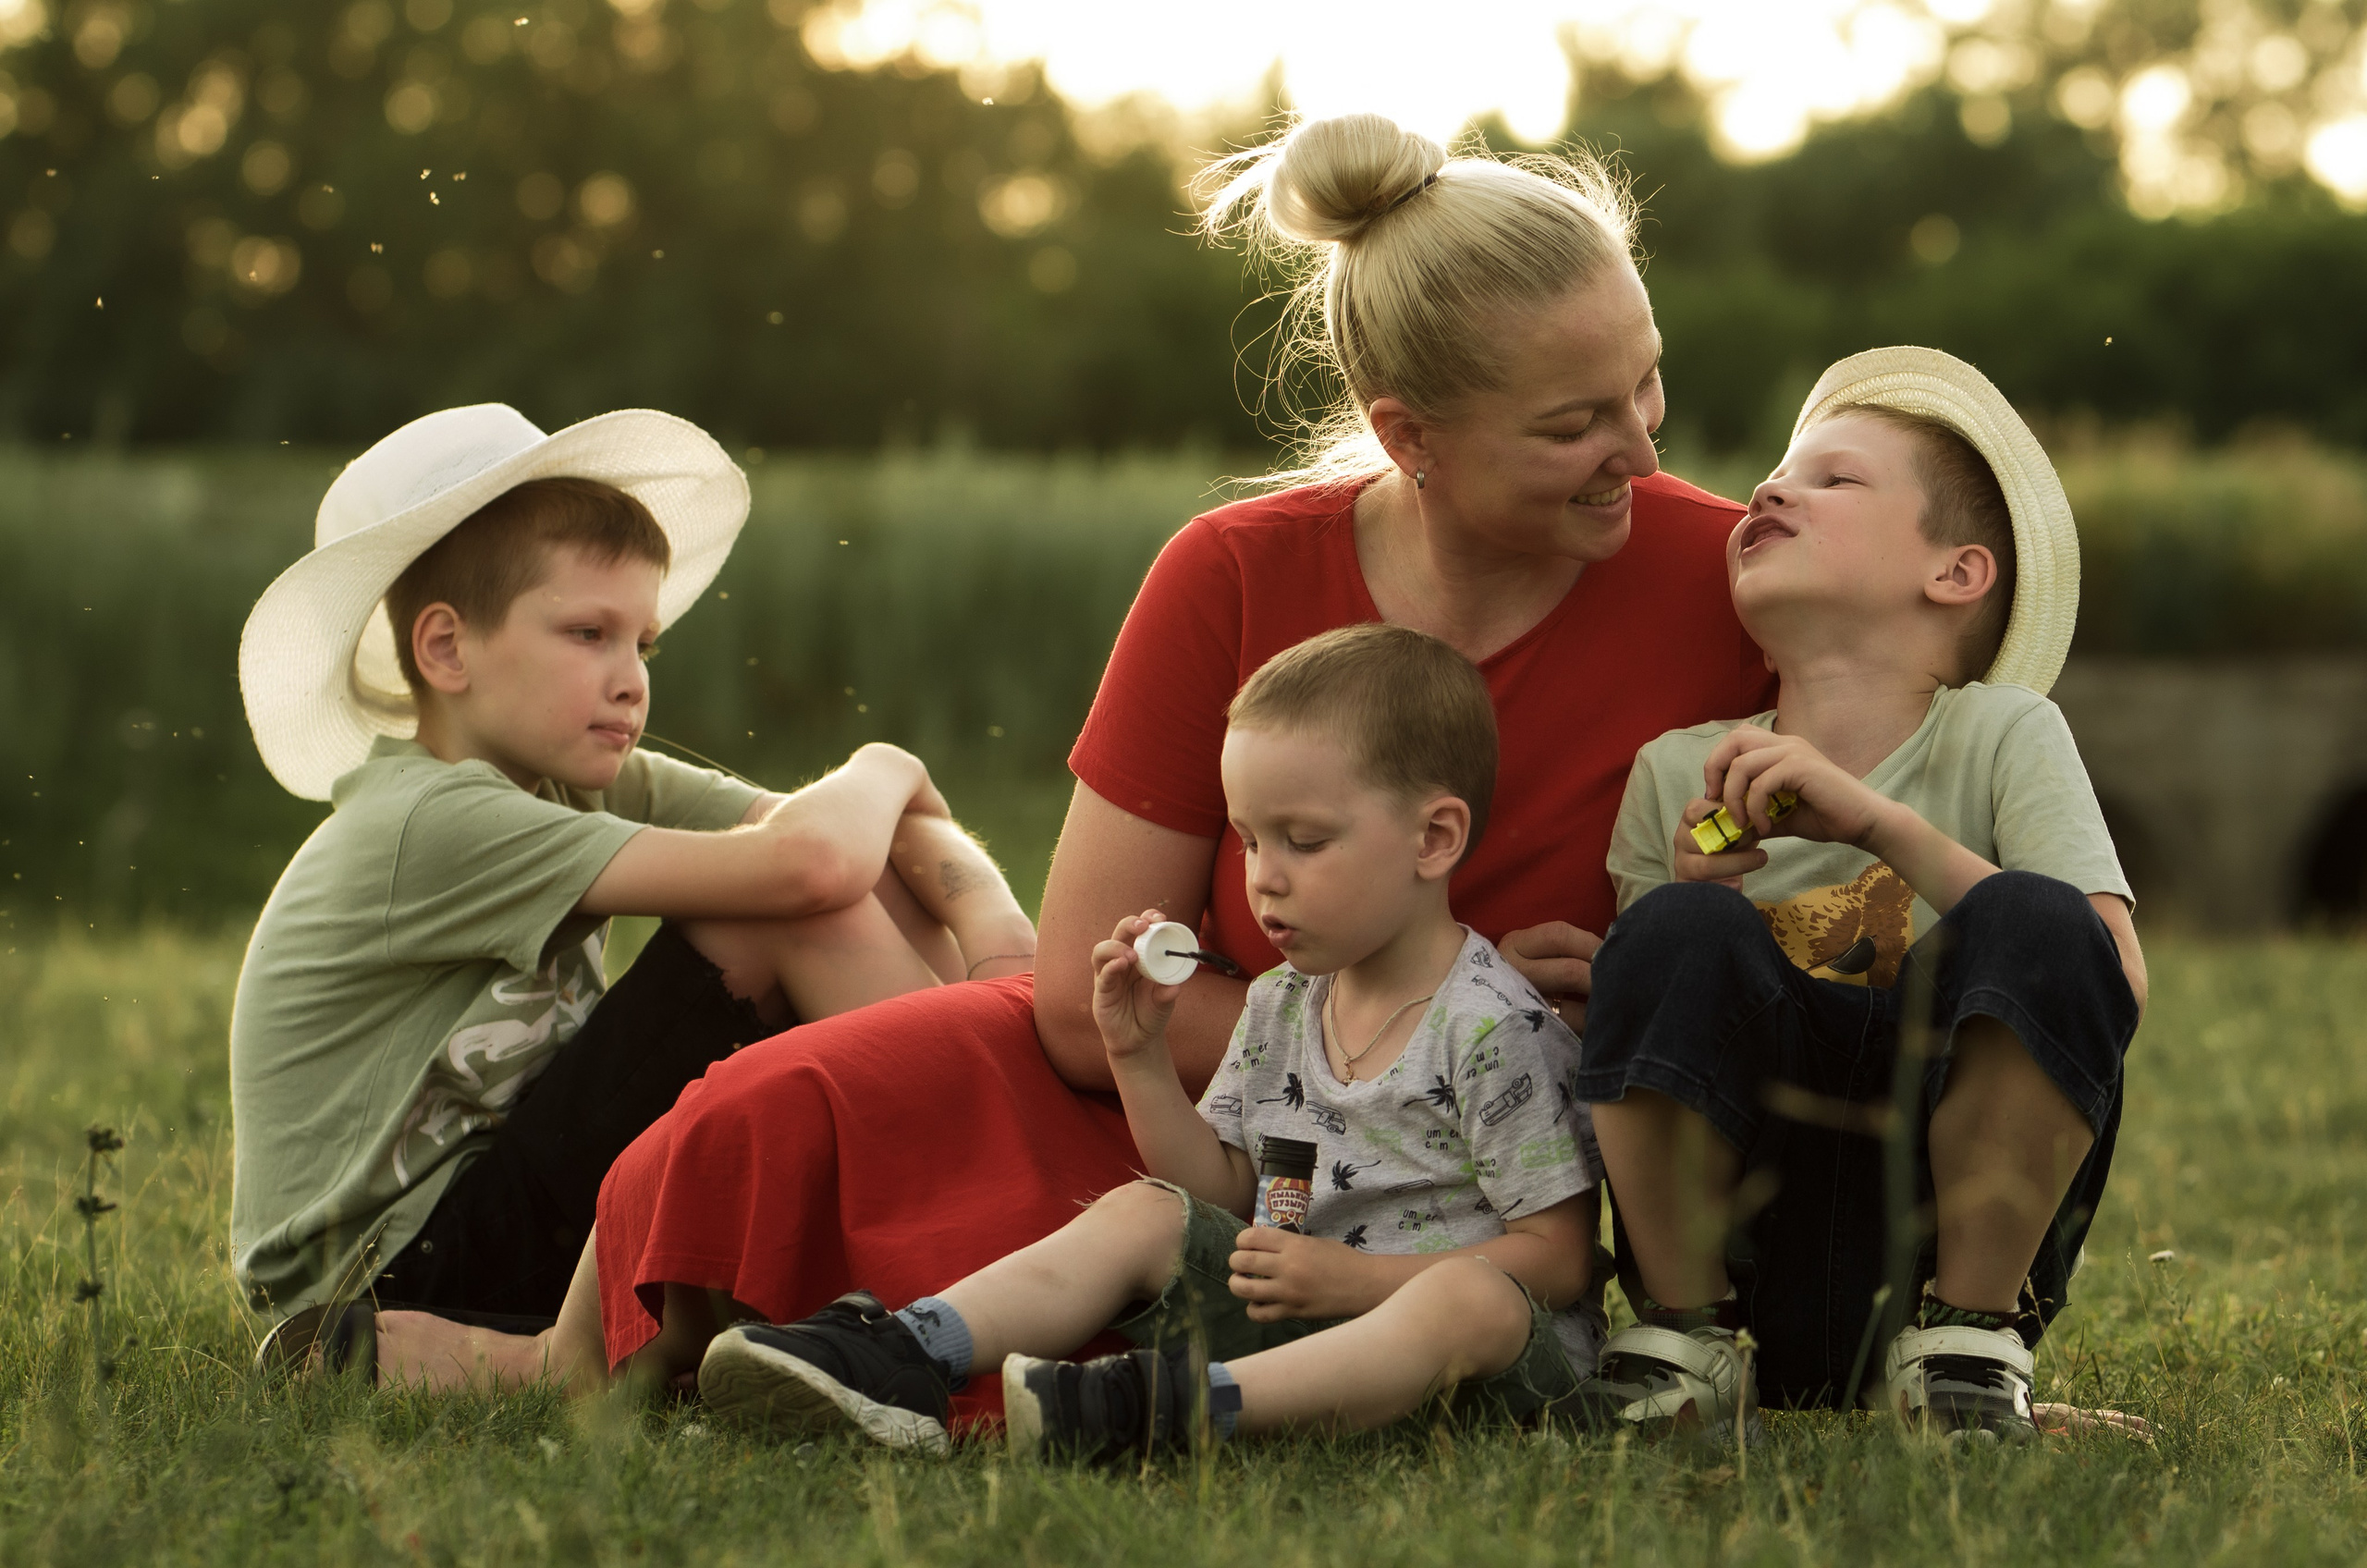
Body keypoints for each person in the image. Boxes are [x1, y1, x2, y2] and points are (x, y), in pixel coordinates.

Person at [359, 111, 1776, 1403]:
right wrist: (1401, 1020)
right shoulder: (1232, 574)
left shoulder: (1730, 581)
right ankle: (602, 1352)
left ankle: (842, 1348)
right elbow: (1081, 999)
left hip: (1445, 1185)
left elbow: (1838, 844)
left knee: (1119, 1280)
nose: (1642, 452)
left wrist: (1625, 995)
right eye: (1575, 424)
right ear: (1410, 438)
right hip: (1176, 1117)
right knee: (767, 1105)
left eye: (1646, 384)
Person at [232, 404, 1034, 1360]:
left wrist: (999, 939)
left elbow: (873, 844)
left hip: (503, 1221)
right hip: (388, 1277)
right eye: (589, 633)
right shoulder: (429, 819)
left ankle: (998, 1214)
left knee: (842, 888)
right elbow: (813, 863)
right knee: (788, 912)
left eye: (642, 643)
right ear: (446, 649)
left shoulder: (571, 777)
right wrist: (888, 761)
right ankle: (1012, 1227)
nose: (631, 680)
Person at [692, 624, 1602, 1460]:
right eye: (1248, 841)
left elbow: (1557, 1258)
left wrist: (1355, 1282)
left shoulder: (1492, 1026)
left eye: (1304, 840)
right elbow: (1221, 1190)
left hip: (1479, 1371)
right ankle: (903, 1350)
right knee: (1144, 1210)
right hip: (1306, 1326)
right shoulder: (1282, 1005)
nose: (1263, 878)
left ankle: (1166, 1409)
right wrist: (1139, 1056)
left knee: (1470, 1297)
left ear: (1434, 837)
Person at [1572, 348, 2148, 1445]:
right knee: (1672, 929)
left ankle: (1967, 1345)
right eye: (1776, 474)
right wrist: (1676, 912)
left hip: (1937, 1246)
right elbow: (1633, 1054)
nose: (1769, 489)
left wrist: (1877, 824)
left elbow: (2108, 975)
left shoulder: (2006, 733)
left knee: (2038, 914)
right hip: (1749, 1247)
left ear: (1955, 573)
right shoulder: (1674, 770)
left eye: (1832, 478)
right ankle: (1685, 1340)